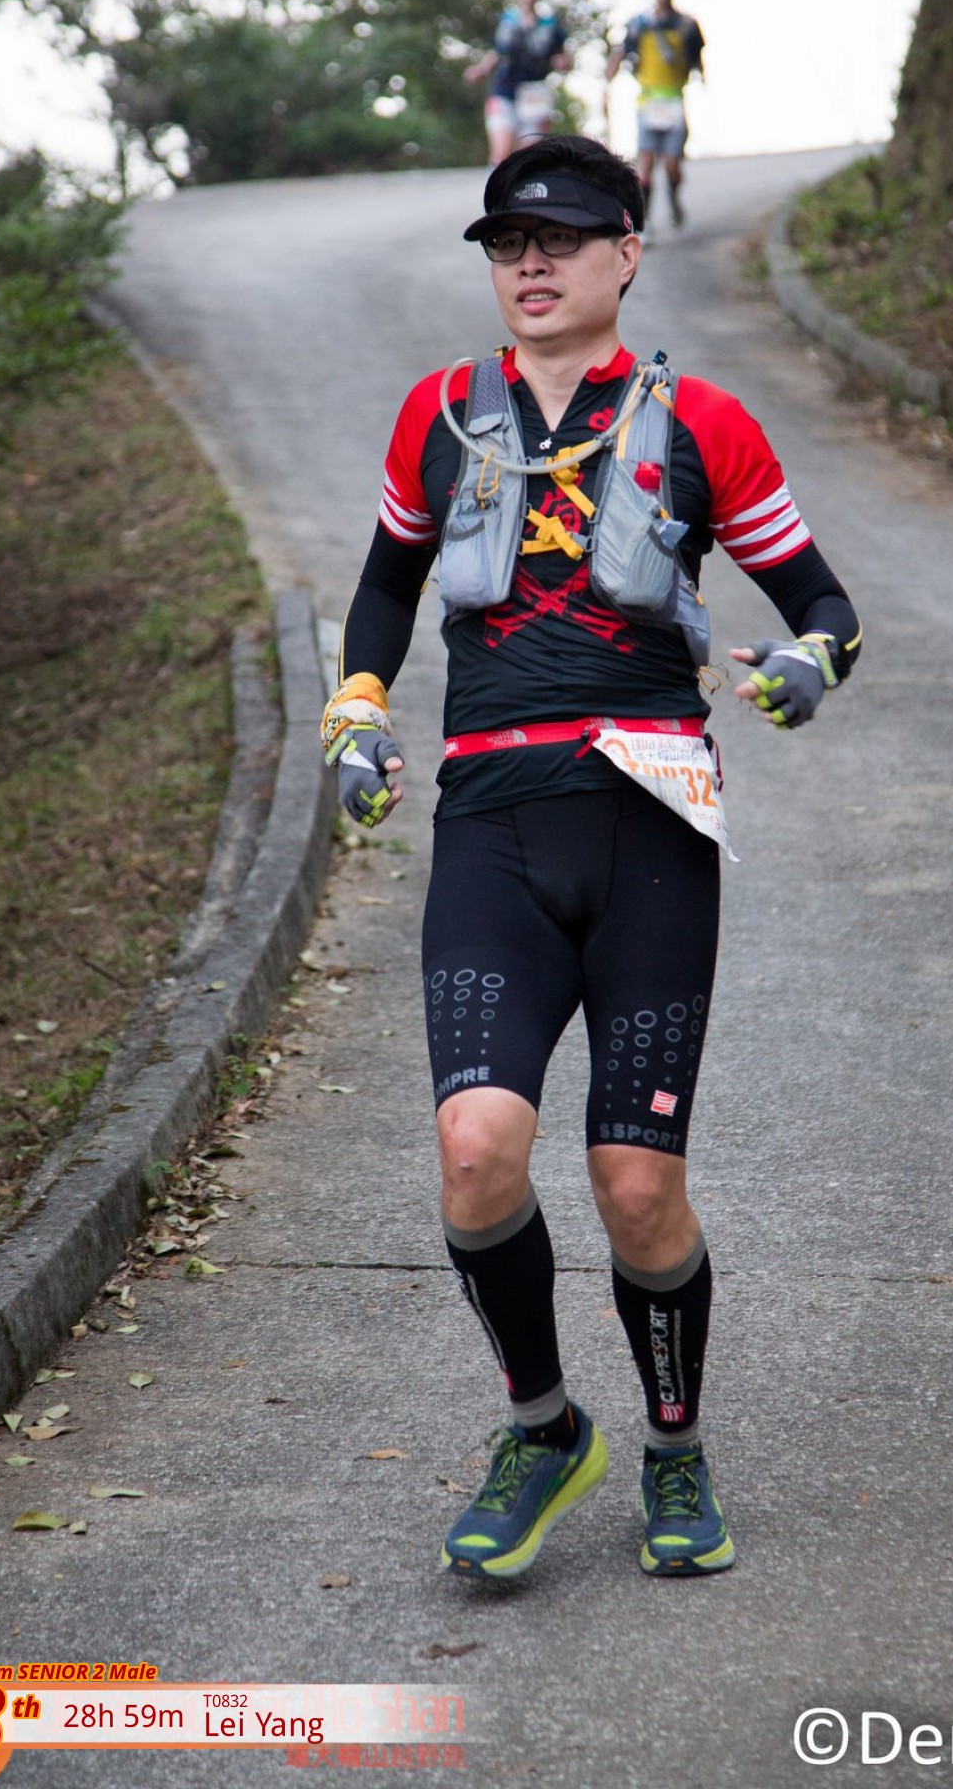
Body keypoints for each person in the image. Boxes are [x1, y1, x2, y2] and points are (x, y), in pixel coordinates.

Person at [320, 135, 861, 1581]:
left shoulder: (703, 424)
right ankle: (545, 1428)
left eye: (560, 239)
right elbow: (383, 588)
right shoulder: (439, 415)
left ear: (627, 251)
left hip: (649, 828)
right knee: (473, 1151)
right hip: (491, 823)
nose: (532, 264)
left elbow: (824, 604)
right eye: (508, 244)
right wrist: (356, 714)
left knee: (634, 1184)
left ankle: (675, 1446)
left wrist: (804, 665)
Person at [606, 0, 704, 230]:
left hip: (674, 100)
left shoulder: (686, 25)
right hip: (648, 101)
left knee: (672, 164)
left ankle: (673, 194)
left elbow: (697, 57)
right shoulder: (639, 24)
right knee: (646, 163)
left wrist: (701, 77)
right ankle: (643, 221)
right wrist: (609, 77)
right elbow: (621, 52)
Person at [464, 0, 571, 166]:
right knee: (501, 154)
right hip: (504, 90)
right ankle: (496, 186)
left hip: (535, 93)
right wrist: (480, 70)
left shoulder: (551, 26)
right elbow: (495, 52)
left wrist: (562, 63)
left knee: (528, 158)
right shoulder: (503, 21)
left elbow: (563, 57)